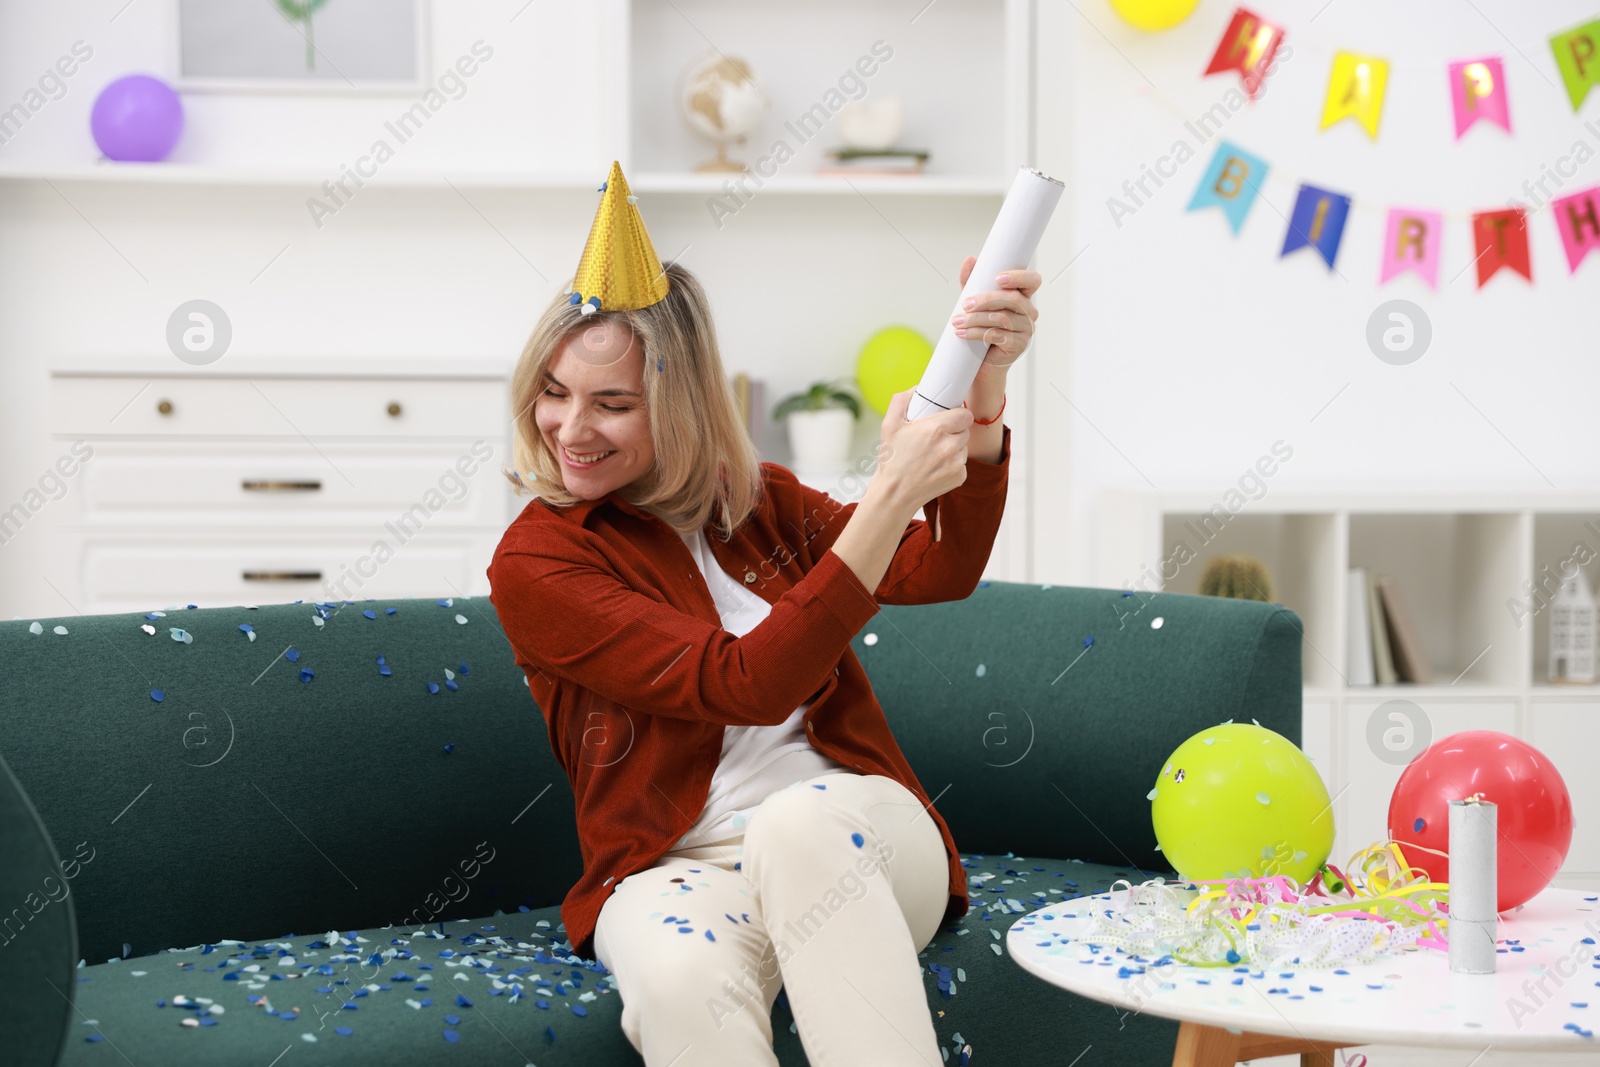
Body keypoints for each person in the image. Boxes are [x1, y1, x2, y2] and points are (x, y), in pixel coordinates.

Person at [486, 161, 1040, 1066]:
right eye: (553, 391)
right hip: (674, 868)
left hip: (855, 836)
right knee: (676, 984)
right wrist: (890, 494)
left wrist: (980, 397)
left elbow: (936, 569)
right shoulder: (540, 561)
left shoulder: (758, 501)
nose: (569, 426)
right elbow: (739, 681)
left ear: (680, 402)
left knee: (798, 824)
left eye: (612, 402)